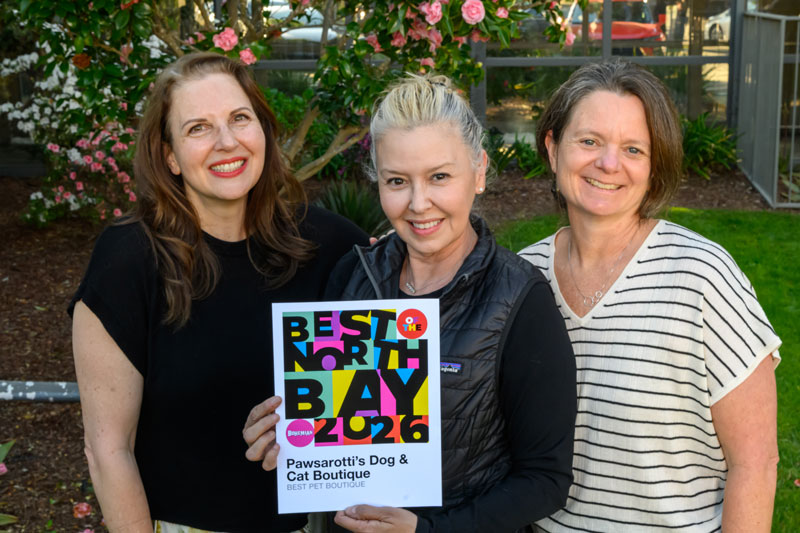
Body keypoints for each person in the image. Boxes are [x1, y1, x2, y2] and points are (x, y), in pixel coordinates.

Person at [244, 73, 578, 532]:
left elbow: (545, 480)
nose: (419, 203)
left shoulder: (519, 299)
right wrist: (285, 434)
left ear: (479, 171)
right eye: (397, 181)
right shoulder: (352, 276)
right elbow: (330, 433)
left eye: (439, 177)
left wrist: (427, 531)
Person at [70, 52, 368, 532]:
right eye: (198, 128)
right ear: (169, 155)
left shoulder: (333, 246)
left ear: (263, 131)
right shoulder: (128, 262)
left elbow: (400, 377)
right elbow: (108, 451)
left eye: (239, 119)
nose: (227, 142)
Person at [518, 59, 781, 532]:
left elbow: (756, 463)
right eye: (589, 141)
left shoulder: (702, 276)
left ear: (653, 167)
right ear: (553, 149)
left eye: (633, 149)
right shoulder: (521, 276)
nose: (608, 163)